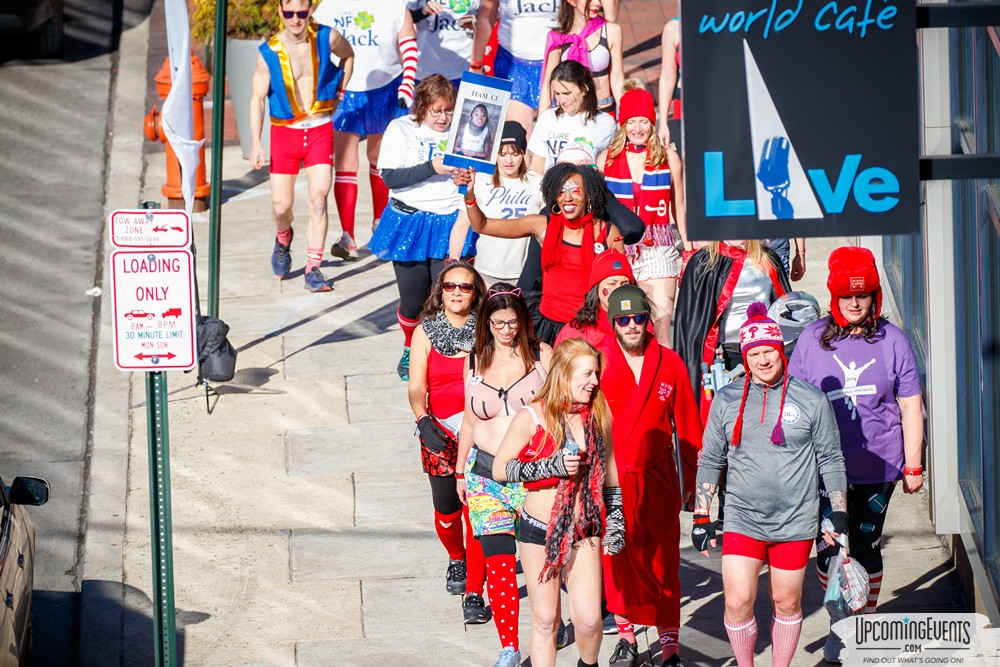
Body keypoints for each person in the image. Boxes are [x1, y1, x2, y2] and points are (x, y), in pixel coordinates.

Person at [692, 302, 848, 667]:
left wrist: (839, 512)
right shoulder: (727, 401)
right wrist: (702, 516)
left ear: (781, 351)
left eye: (770, 352)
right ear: (745, 357)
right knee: (736, 602)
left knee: (787, 602)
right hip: (742, 518)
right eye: (755, 354)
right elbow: (711, 460)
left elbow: (831, 458)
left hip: (795, 521)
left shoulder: (811, 399)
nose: (763, 361)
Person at [788, 246, 924, 664]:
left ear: (874, 297)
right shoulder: (812, 341)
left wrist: (914, 463)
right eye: (846, 296)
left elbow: (910, 406)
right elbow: (792, 405)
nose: (853, 303)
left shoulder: (894, 342)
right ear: (833, 297)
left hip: (877, 467)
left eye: (861, 296)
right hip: (823, 470)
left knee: (864, 547)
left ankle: (864, 627)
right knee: (830, 551)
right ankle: (839, 626)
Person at [492, 338, 624, 667]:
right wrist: (549, 467)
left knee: (591, 619)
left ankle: (588, 664)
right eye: (587, 374)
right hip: (539, 531)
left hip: (584, 528)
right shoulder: (532, 416)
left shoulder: (598, 411)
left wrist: (617, 519)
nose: (594, 381)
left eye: (596, 373)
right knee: (546, 620)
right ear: (564, 374)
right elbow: (500, 469)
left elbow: (609, 470)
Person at [598, 285, 703, 667]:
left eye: (637, 318)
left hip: (658, 480)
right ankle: (626, 635)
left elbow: (689, 430)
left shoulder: (670, 362)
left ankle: (670, 641)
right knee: (617, 561)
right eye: (622, 320)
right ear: (613, 323)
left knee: (664, 562)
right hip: (612, 482)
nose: (630, 326)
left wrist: (696, 488)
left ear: (648, 321)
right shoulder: (599, 361)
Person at [456, 283, 553, 667]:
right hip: (484, 476)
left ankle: (550, 621)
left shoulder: (542, 356)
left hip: (532, 474)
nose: (507, 330)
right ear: (486, 322)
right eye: (498, 322)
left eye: (513, 322)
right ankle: (509, 647)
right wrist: (460, 473)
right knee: (498, 561)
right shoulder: (474, 360)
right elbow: (467, 420)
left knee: (544, 561)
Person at [368, 75, 476, 380]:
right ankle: (409, 346)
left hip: (448, 222)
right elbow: (390, 177)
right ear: (422, 108)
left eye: (448, 112)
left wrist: (463, 179)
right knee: (414, 300)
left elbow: (475, 173)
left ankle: (442, 352)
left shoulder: (464, 133)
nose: (443, 119)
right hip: (410, 221)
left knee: (444, 295)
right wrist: (434, 167)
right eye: (436, 112)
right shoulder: (401, 128)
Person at [249, 0, 355, 292]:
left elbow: (348, 56)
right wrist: (256, 142)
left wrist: (341, 92)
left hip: (320, 128)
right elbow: (257, 98)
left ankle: (313, 267)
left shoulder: (327, 37)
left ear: (310, 10)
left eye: (301, 12)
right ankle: (283, 236)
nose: (295, 19)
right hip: (285, 133)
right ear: (280, 11)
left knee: (319, 198)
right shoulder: (268, 52)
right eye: (289, 13)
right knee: (281, 205)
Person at [456, 162, 625, 345]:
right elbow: (482, 225)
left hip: (588, 328)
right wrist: (470, 196)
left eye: (575, 191)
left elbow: (619, 286)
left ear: (588, 196)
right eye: (561, 192)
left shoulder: (608, 232)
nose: (567, 198)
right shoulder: (542, 224)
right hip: (546, 326)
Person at [407, 262, 488, 603]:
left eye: (465, 287)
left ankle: (476, 580)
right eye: (450, 286)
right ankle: (457, 557)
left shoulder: (487, 329)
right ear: (440, 292)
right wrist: (423, 421)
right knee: (447, 509)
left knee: (477, 509)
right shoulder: (424, 332)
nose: (457, 292)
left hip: (481, 431)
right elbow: (415, 387)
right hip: (439, 430)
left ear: (476, 294)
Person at [312, 0, 418, 260]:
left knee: (379, 157)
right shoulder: (329, 5)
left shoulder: (395, 5)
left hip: (387, 87)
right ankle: (347, 235)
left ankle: (380, 225)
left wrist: (407, 85)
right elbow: (312, 43)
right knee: (345, 161)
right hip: (345, 88)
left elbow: (410, 46)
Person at [600, 88, 687, 346]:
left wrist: (690, 250)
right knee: (621, 330)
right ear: (623, 124)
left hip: (658, 248)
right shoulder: (606, 160)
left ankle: (664, 384)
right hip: (619, 249)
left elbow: (680, 209)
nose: (638, 128)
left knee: (661, 328)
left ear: (653, 122)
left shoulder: (669, 158)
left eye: (644, 121)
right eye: (632, 121)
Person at [470, 121, 543, 286]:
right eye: (502, 154)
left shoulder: (537, 182)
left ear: (523, 153)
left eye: (515, 153)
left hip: (523, 275)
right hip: (485, 273)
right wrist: (453, 259)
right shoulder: (480, 180)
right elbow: (461, 225)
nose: (508, 160)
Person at [471, 0, 560, 135]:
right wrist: (476, 64)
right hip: (514, 65)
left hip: (556, 62)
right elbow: (487, 12)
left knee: (551, 137)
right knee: (517, 142)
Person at [529, 61, 618, 174]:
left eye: (566, 93)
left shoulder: (606, 124)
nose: (561, 101)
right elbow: (536, 167)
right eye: (557, 94)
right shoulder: (547, 119)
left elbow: (611, 169)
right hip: (550, 190)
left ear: (584, 89)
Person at [538, 0, 624, 115]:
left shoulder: (611, 31)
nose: (597, 3)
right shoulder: (558, 38)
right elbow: (548, 86)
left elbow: (617, 79)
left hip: (604, 111)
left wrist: (626, 116)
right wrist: (541, 125)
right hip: (569, 115)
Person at [555, 248, 634, 350]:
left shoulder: (639, 325)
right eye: (612, 283)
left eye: (624, 284)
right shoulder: (575, 332)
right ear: (597, 288)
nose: (618, 290)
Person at [408, 0, 480, 88]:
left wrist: (477, 22)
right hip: (424, 72)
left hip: (464, 70)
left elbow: (491, 17)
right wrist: (422, 12)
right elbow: (401, 19)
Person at [656, 17, 680, 150]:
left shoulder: (726, 22)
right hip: (684, 107)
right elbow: (667, 78)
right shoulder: (673, 28)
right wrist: (663, 124)